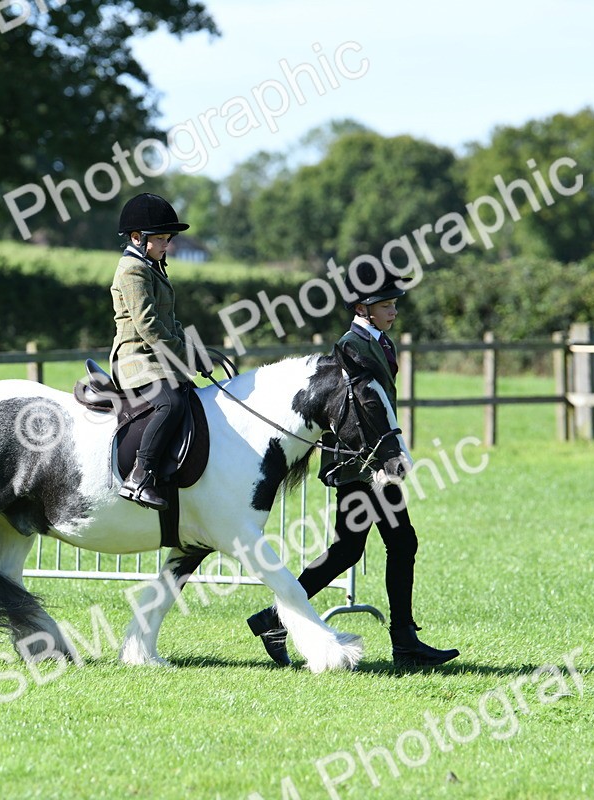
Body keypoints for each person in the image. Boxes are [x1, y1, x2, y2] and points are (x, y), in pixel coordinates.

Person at [246, 262, 460, 669]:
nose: (394, 310)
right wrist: (383, 457)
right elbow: (356, 409)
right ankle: (404, 643)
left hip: (373, 460)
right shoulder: (352, 346)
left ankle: (274, 619)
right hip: (362, 464)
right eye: (386, 304)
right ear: (363, 308)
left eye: (394, 304)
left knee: (351, 548)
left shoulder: (378, 341)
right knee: (399, 543)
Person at [109, 192, 195, 511]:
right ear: (137, 237)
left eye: (167, 238)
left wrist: (191, 349)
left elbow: (169, 321)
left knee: (189, 395)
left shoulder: (153, 266)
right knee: (170, 404)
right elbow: (148, 325)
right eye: (160, 238)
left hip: (157, 358)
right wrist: (184, 355)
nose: (165, 244)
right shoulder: (132, 269)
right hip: (135, 360)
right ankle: (140, 476)